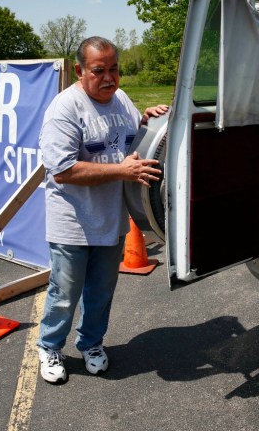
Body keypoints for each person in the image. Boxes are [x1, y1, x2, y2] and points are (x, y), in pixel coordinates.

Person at [37, 36, 169, 383]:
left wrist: (146, 121)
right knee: (65, 293)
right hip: (72, 224)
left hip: (111, 221)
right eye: (99, 71)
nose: (109, 78)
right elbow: (63, 170)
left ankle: (91, 344)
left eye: (114, 69)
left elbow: (128, 140)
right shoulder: (64, 110)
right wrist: (121, 171)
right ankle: (50, 347)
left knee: (101, 291)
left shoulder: (121, 100)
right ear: (79, 71)